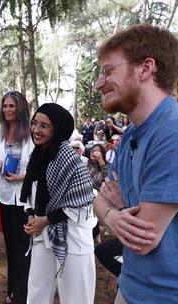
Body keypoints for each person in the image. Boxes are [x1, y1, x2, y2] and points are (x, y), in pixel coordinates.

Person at [94, 24, 178, 304]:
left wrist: (112, 212)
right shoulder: (132, 133)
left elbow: (143, 239)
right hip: (130, 286)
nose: (99, 83)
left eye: (107, 71)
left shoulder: (172, 132)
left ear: (145, 68)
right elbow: (101, 200)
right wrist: (114, 215)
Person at [21, 103, 96, 304]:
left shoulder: (66, 156)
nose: (36, 130)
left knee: (76, 297)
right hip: (42, 232)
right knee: (37, 292)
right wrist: (30, 215)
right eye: (34, 123)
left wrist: (46, 220)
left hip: (72, 235)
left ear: (57, 129)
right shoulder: (36, 155)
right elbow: (30, 193)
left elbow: (82, 200)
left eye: (44, 126)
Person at [0, 91, 34, 304]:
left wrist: (22, 177)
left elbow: (38, 167)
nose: (7, 110)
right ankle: (12, 290)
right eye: (5, 106)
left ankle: (22, 294)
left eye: (12, 106)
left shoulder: (30, 134)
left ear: (20, 108)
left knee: (23, 247)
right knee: (11, 245)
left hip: (24, 199)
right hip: (5, 196)